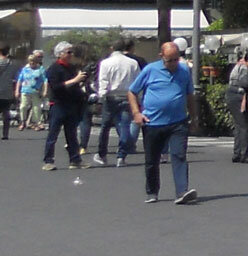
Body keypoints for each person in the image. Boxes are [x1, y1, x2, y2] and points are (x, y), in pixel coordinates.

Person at [129, 38, 197, 204]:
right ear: (161, 56)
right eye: (169, 60)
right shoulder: (150, 70)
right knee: (152, 160)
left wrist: (194, 117)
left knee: (179, 155)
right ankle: (152, 191)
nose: (173, 63)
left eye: (176, 59)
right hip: (153, 122)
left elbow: (190, 95)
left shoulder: (184, 71)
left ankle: (182, 191)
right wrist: (137, 113)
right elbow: (132, 91)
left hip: (178, 122)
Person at [40, 41, 89, 172]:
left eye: (71, 52)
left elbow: (75, 85)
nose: (71, 54)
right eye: (68, 52)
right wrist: (75, 80)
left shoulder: (72, 68)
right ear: (60, 54)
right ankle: (48, 161)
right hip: (58, 104)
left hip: (71, 104)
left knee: (72, 134)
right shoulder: (54, 68)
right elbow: (56, 87)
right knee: (53, 134)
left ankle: (75, 160)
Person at [92, 39, 140, 167]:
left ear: (112, 48)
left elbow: (103, 81)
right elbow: (138, 80)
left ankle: (102, 154)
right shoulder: (133, 63)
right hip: (127, 96)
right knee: (124, 125)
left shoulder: (106, 63)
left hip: (111, 96)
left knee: (105, 126)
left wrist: (100, 98)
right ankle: (121, 155)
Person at [226, 53, 248, 163]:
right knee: (245, 126)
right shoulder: (244, 69)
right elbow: (245, 83)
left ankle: (237, 153)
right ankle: (244, 154)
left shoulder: (239, 65)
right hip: (238, 97)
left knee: (239, 126)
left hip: (232, 95)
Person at [17, 50, 47, 131]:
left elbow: (45, 80)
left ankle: (37, 123)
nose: (32, 63)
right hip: (25, 90)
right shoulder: (25, 69)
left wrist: (44, 90)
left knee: (36, 108)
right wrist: (17, 90)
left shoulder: (40, 69)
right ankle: (23, 121)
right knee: (23, 106)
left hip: (36, 91)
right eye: (30, 62)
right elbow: (20, 79)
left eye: (33, 62)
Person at [0, 46, 17, 140]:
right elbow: (14, 76)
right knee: (6, 111)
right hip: (7, 90)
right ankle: (5, 134)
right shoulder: (12, 63)